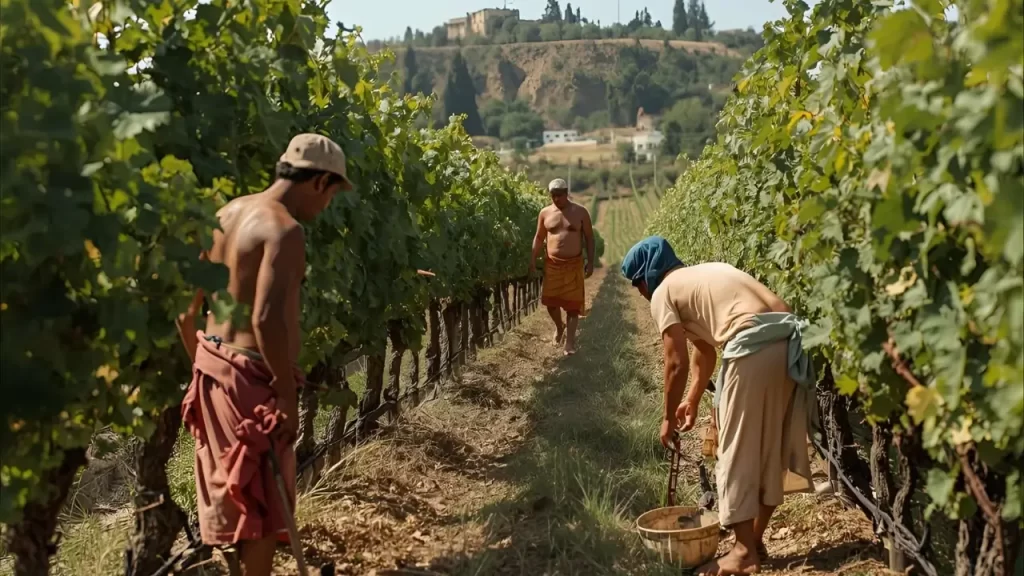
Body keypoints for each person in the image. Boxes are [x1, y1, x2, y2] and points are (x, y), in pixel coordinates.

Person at [175, 133, 351, 576]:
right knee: (259, 507)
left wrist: (205, 367)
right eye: (333, 193)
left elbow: (185, 313)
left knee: (229, 501)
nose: (328, 206)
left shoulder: (225, 214)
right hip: (255, 381)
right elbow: (266, 320)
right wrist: (287, 394)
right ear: (320, 181)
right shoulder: (284, 230)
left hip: (213, 367)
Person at [621, 236, 817, 576]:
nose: (641, 293)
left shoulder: (664, 292)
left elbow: (675, 362)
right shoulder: (701, 274)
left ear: (646, 275)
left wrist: (666, 418)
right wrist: (693, 399)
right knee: (769, 449)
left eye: (637, 284)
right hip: (789, 344)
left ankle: (742, 553)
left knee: (735, 451)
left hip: (753, 344)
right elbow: (705, 350)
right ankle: (753, 543)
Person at [529, 178, 595, 355]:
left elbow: (589, 237)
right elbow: (538, 237)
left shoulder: (580, 212)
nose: (556, 199)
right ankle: (560, 326)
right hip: (553, 265)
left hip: (574, 264)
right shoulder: (545, 213)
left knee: (573, 306)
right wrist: (533, 259)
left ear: (566, 194)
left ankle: (570, 343)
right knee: (551, 303)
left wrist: (591, 261)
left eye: (559, 195)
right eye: (553, 196)